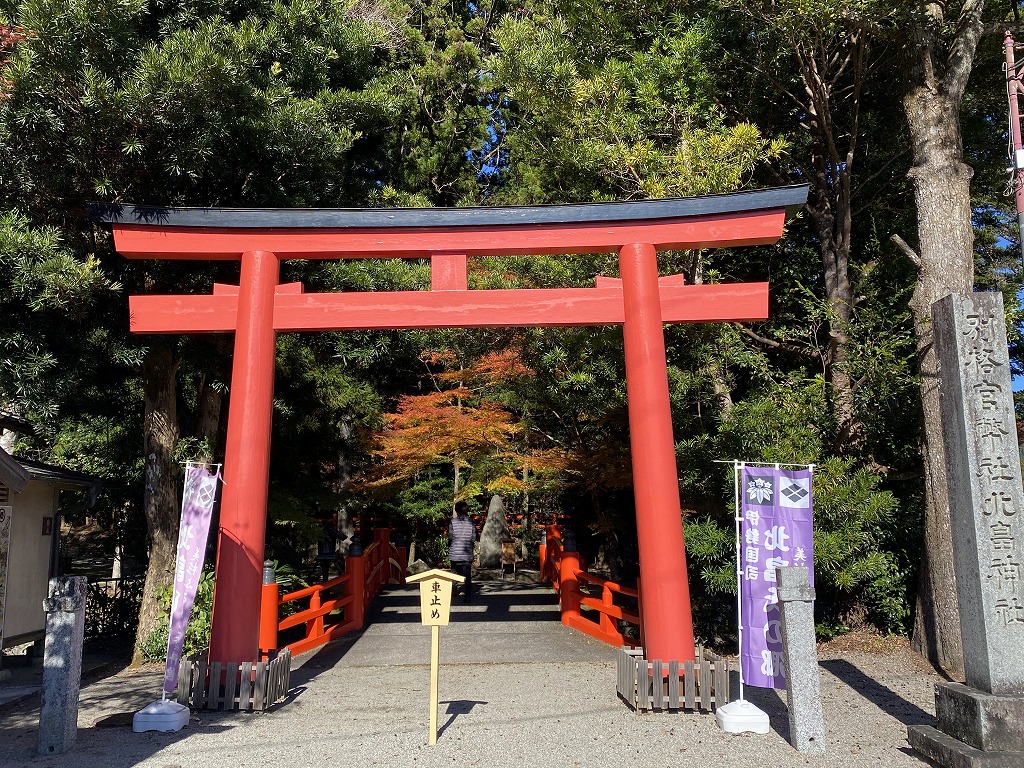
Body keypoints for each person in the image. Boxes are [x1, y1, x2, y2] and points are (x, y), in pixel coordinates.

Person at [448, 501, 476, 602]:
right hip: (467, 553)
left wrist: (450, 546)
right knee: (467, 576)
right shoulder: (471, 522)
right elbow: (473, 538)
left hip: (455, 552)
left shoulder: (453, 522)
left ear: (456, 510)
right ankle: (467, 596)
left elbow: (450, 537)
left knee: (454, 572)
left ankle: (454, 589)